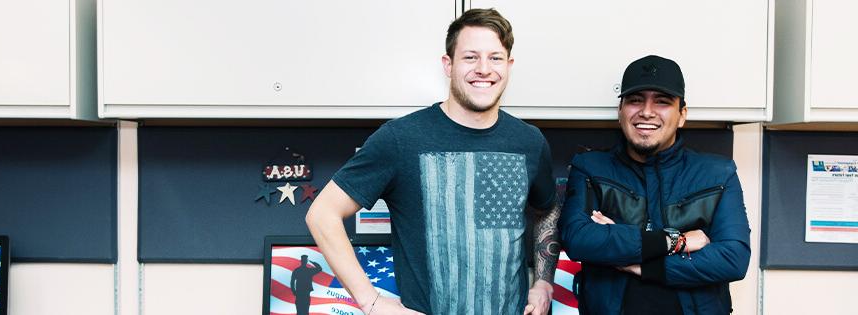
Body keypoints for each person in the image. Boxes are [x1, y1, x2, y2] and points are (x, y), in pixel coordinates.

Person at [305, 8, 562, 315]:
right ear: (448, 64)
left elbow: (547, 208)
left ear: (508, 65)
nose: (484, 68)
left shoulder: (529, 141)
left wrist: (544, 282)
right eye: (470, 57)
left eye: (495, 58)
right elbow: (322, 214)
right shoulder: (401, 138)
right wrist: (370, 302)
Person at [558, 55, 751, 314]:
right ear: (620, 111)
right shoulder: (591, 168)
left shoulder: (718, 173)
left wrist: (638, 264)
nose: (646, 111)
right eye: (635, 100)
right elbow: (578, 239)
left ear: (682, 114)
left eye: (662, 102)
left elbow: (732, 259)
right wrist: (676, 242)